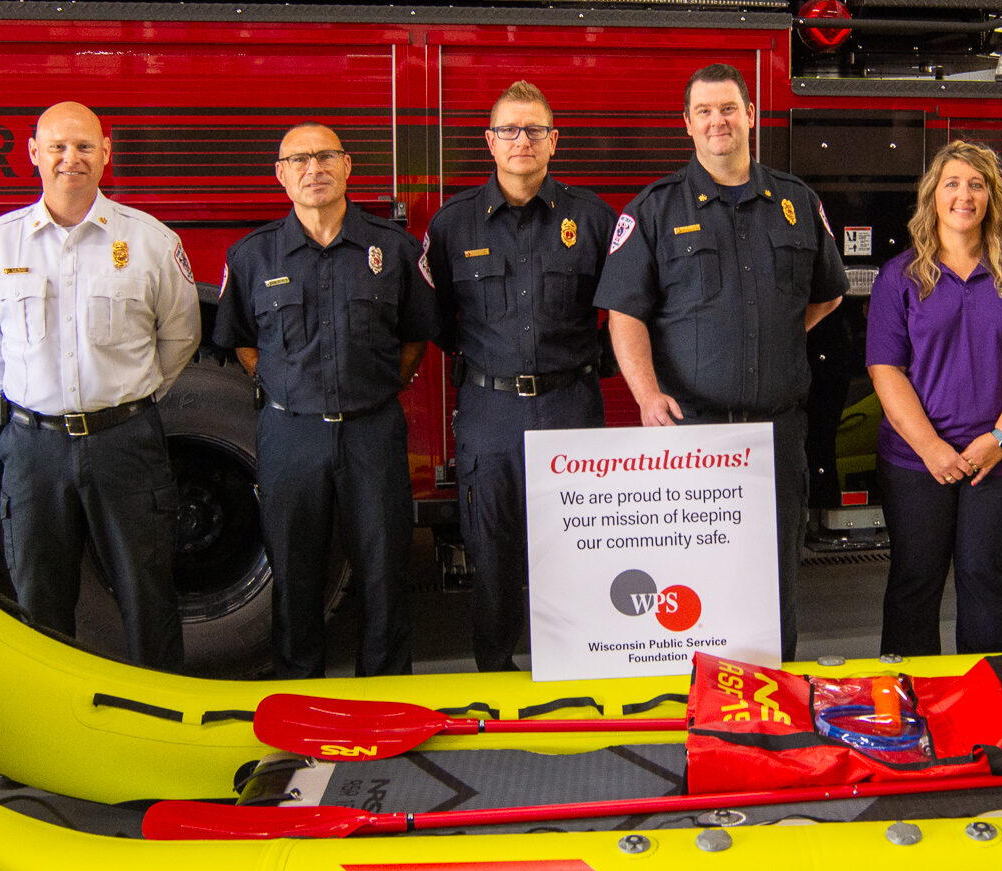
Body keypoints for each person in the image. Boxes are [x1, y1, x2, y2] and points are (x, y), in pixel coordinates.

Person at [594, 63, 849, 661]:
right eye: (705, 112)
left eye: (729, 108)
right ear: (687, 125)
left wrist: (774, 335)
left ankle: (778, 693)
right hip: (694, 428)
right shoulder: (655, 209)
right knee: (693, 572)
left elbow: (829, 291)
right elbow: (624, 313)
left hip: (776, 430)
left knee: (778, 568)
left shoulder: (796, 201)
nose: (718, 121)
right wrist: (647, 395)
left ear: (751, 116)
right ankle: (701, 698)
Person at [0, 100, 197, 670]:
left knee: (149, 595)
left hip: (125, 443)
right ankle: (56, 733)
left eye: (86, 146)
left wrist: (127, 402)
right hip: (33, 447)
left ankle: (159, 720)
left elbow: (181, 335)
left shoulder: (149, 241)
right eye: (59, 147)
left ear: (106, 155)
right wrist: (37, 399)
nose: (73, 159)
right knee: (40, 599)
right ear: (34, 155)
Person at [212, 122, 440, 677]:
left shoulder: (395, 249)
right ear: (281, 177)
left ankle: (385, 694)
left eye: (324, 157)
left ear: (347, 167)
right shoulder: (253, 258)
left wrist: (378, 388)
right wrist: (291, 390)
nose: (313, 169)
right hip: (291, 434)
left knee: (383, 571)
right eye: (299, 160)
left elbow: (416, 338)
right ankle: (299, 688)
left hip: (372, 431)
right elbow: (242, 342)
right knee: (295, 572)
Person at [423, 81, 616, 672]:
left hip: (571, 405)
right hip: (491, 412)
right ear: (489, 141)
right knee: (493, 551)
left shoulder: (595, 219)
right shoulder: (452, 224)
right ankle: (497, 673)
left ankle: (579, 670)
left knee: (578, 548)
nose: (521, 140)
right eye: (509, 129)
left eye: (534, 129)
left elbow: (629, 311)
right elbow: (435, 320)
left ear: (554, 141)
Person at [867, 141, 1002, 656]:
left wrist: (998, 440)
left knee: (984, 576)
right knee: (914, 578)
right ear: (933, 197)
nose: (964, 195)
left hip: (999, 459)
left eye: (976, 185)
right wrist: (930, 447)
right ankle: (910, 701)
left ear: (992, 199)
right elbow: (886, 370)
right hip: (915, 460)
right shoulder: (900, 278)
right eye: (952, 183)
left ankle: (984, 699)